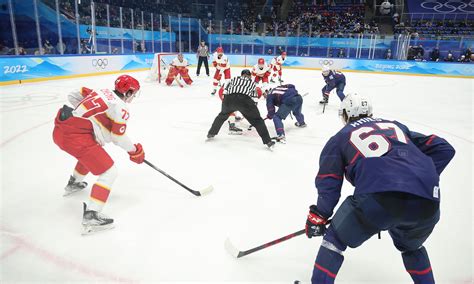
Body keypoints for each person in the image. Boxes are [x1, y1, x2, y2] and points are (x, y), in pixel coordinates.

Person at [304, 93, 455, 284]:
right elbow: (444, 148)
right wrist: (417, 178)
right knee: (412, 246)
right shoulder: (395, 127)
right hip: (427, 202)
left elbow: (329, 182)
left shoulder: (340, 138)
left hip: (378, 200)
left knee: (334, 241)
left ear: (344, 114)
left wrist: (319, 216)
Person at [52, 75, 145, 235]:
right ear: (128, 92)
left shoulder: (102, 91)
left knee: (91, 155)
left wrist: (92, 118)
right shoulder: (121, 108)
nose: (133, 96)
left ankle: (74, 183)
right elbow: (118, 137)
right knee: (109, 171)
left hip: (61, 130)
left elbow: (74, 95)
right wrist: (134, 151)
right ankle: (92, 215)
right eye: (133, 92)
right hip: (76, 137)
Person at [207, 69, 275, 150]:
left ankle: (211, 133)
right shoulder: (252, 83)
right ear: (250, 76)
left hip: (229, 99)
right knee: (258, 121)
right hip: (244, 100)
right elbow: (254, 99)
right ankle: (268, 141)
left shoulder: (233, 79)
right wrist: (253, 112)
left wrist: (227, 105)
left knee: (221, 116)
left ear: (241, 75)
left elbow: (225, 92)